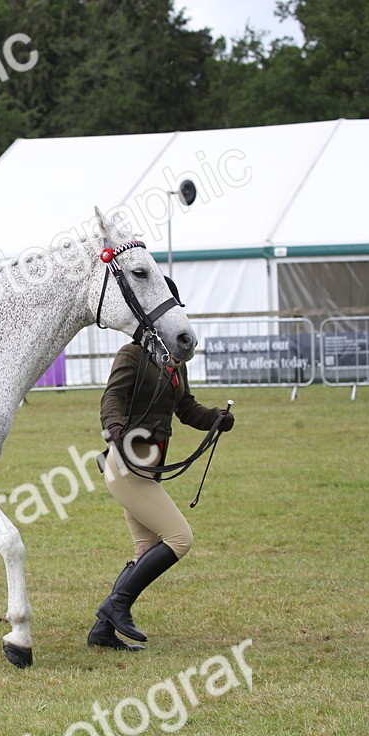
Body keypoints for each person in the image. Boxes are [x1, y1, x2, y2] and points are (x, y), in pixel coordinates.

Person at [89, 278, 235, 651]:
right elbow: (112, 399)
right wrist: (115, 429)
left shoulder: (174, 361)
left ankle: (103, 631)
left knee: (145, 549)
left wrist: (215, 419)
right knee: (180, 538)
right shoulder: (132, 355)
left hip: (148, 466)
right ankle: (116, 605)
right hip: (126, 464)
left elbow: (185, 408)